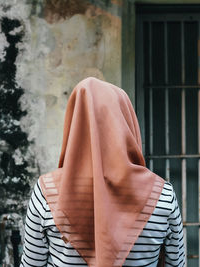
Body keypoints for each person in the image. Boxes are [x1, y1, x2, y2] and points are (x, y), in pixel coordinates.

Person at [20, 77, 185, 267]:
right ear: (127, 123)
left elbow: (32, 264)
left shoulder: (46, 192)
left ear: (73, 123)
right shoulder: (162, 195)